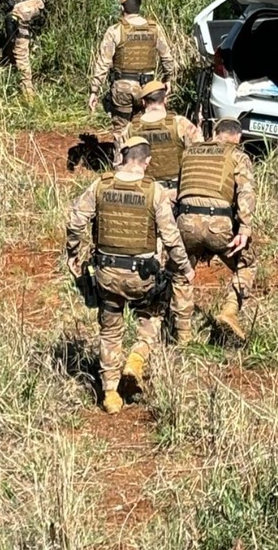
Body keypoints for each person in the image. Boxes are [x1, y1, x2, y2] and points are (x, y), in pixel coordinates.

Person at [65, 136, 195, 414]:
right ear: (147, 162)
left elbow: (76, 221)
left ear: (123, 157)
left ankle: (110, 394)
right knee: (152, 316)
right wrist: (184, 267)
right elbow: (171, 240)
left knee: (110, 331)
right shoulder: (154, 191)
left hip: (106, 274)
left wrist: (73, 254)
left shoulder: (100, 185)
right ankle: (136, 359)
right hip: (142, 277)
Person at [169, 118, 257, 344]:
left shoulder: (189, 153)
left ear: (215, 133)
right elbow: (246, 193)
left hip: (185, 221)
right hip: (219, 224)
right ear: (237, 138)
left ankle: (182, 337)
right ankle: (229, 310)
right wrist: (245, 229)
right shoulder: (238, 156)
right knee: (247, 264)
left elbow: (178, 191)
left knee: (181, 273)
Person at [87, 0, 175, 133]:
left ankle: (121, 154)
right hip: (148, 88)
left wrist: (94, 90)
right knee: (146, 129)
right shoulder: (154, 29)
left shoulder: (115, 30)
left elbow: (103, 63)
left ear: (122, 8)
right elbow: (167, 57)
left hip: (123, 87)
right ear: (139, 6)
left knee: (121, 132)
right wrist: (168, 78)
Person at [115, 80, 203, 196]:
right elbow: (199, 156)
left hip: (145, 193)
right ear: (165, 99)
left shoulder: (131, 128)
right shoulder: (180, 123)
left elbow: (119, 165)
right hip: (176, 192)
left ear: (143, 102)